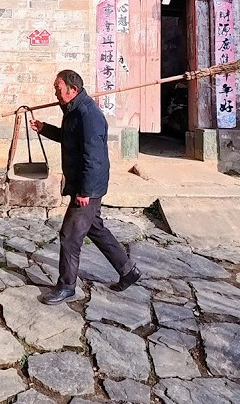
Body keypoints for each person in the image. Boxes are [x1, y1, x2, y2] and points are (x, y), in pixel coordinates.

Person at [30, 70, 140, 304]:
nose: (55, 93)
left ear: (73, 90)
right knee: (95, 228)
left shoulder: (89, 115)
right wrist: (44, 128)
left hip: (88, 187)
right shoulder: (74, 111)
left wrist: (85, 192)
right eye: (55, 88)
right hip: (83, 184)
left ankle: (67, 286)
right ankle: (128, 271)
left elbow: (94, 158)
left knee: (69, 237)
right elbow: (69, 138)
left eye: (58, 88)